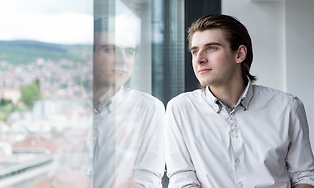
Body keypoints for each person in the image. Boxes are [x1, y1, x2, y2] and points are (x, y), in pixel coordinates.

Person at [165, 14, 314, 187]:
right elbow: (182, 180)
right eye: (195, 51)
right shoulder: (180, 109)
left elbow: (304, 177)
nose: (199, 59)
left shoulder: (287, 107)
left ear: (240, 54)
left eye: (212, 48)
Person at [89, 18, 165, 188]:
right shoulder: (69, 107)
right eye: (110, 50)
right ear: (88, 54)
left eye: (129, 52)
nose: (122, 60)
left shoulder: (148, 109)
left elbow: (147, 182)